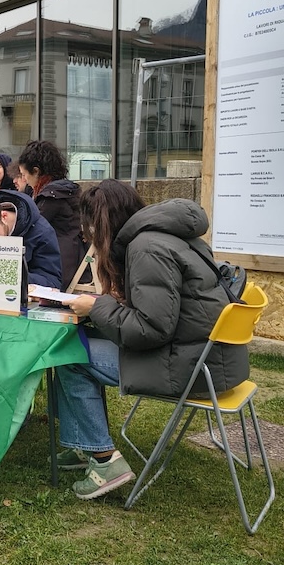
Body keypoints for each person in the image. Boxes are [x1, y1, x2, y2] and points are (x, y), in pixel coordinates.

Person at [55, 179, 250, 500]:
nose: (87, 236)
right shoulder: (171, 235)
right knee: (85, 336)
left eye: (88, 228)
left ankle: (104, 461)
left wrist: (98, 305)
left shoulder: (146, 248)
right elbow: (174, 310)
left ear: (102, 222)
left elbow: (150, 329)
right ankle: (84, 445)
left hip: (190, 368)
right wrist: (120, 302)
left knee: (70, 352)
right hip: (214, 360)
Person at [18, 140, 87, 291]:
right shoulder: (61, 189)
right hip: (69, 254)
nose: (24, 180)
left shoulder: (51, 196)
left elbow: (30, 227)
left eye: (24, 175)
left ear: (36, 171)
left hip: (59, 263)